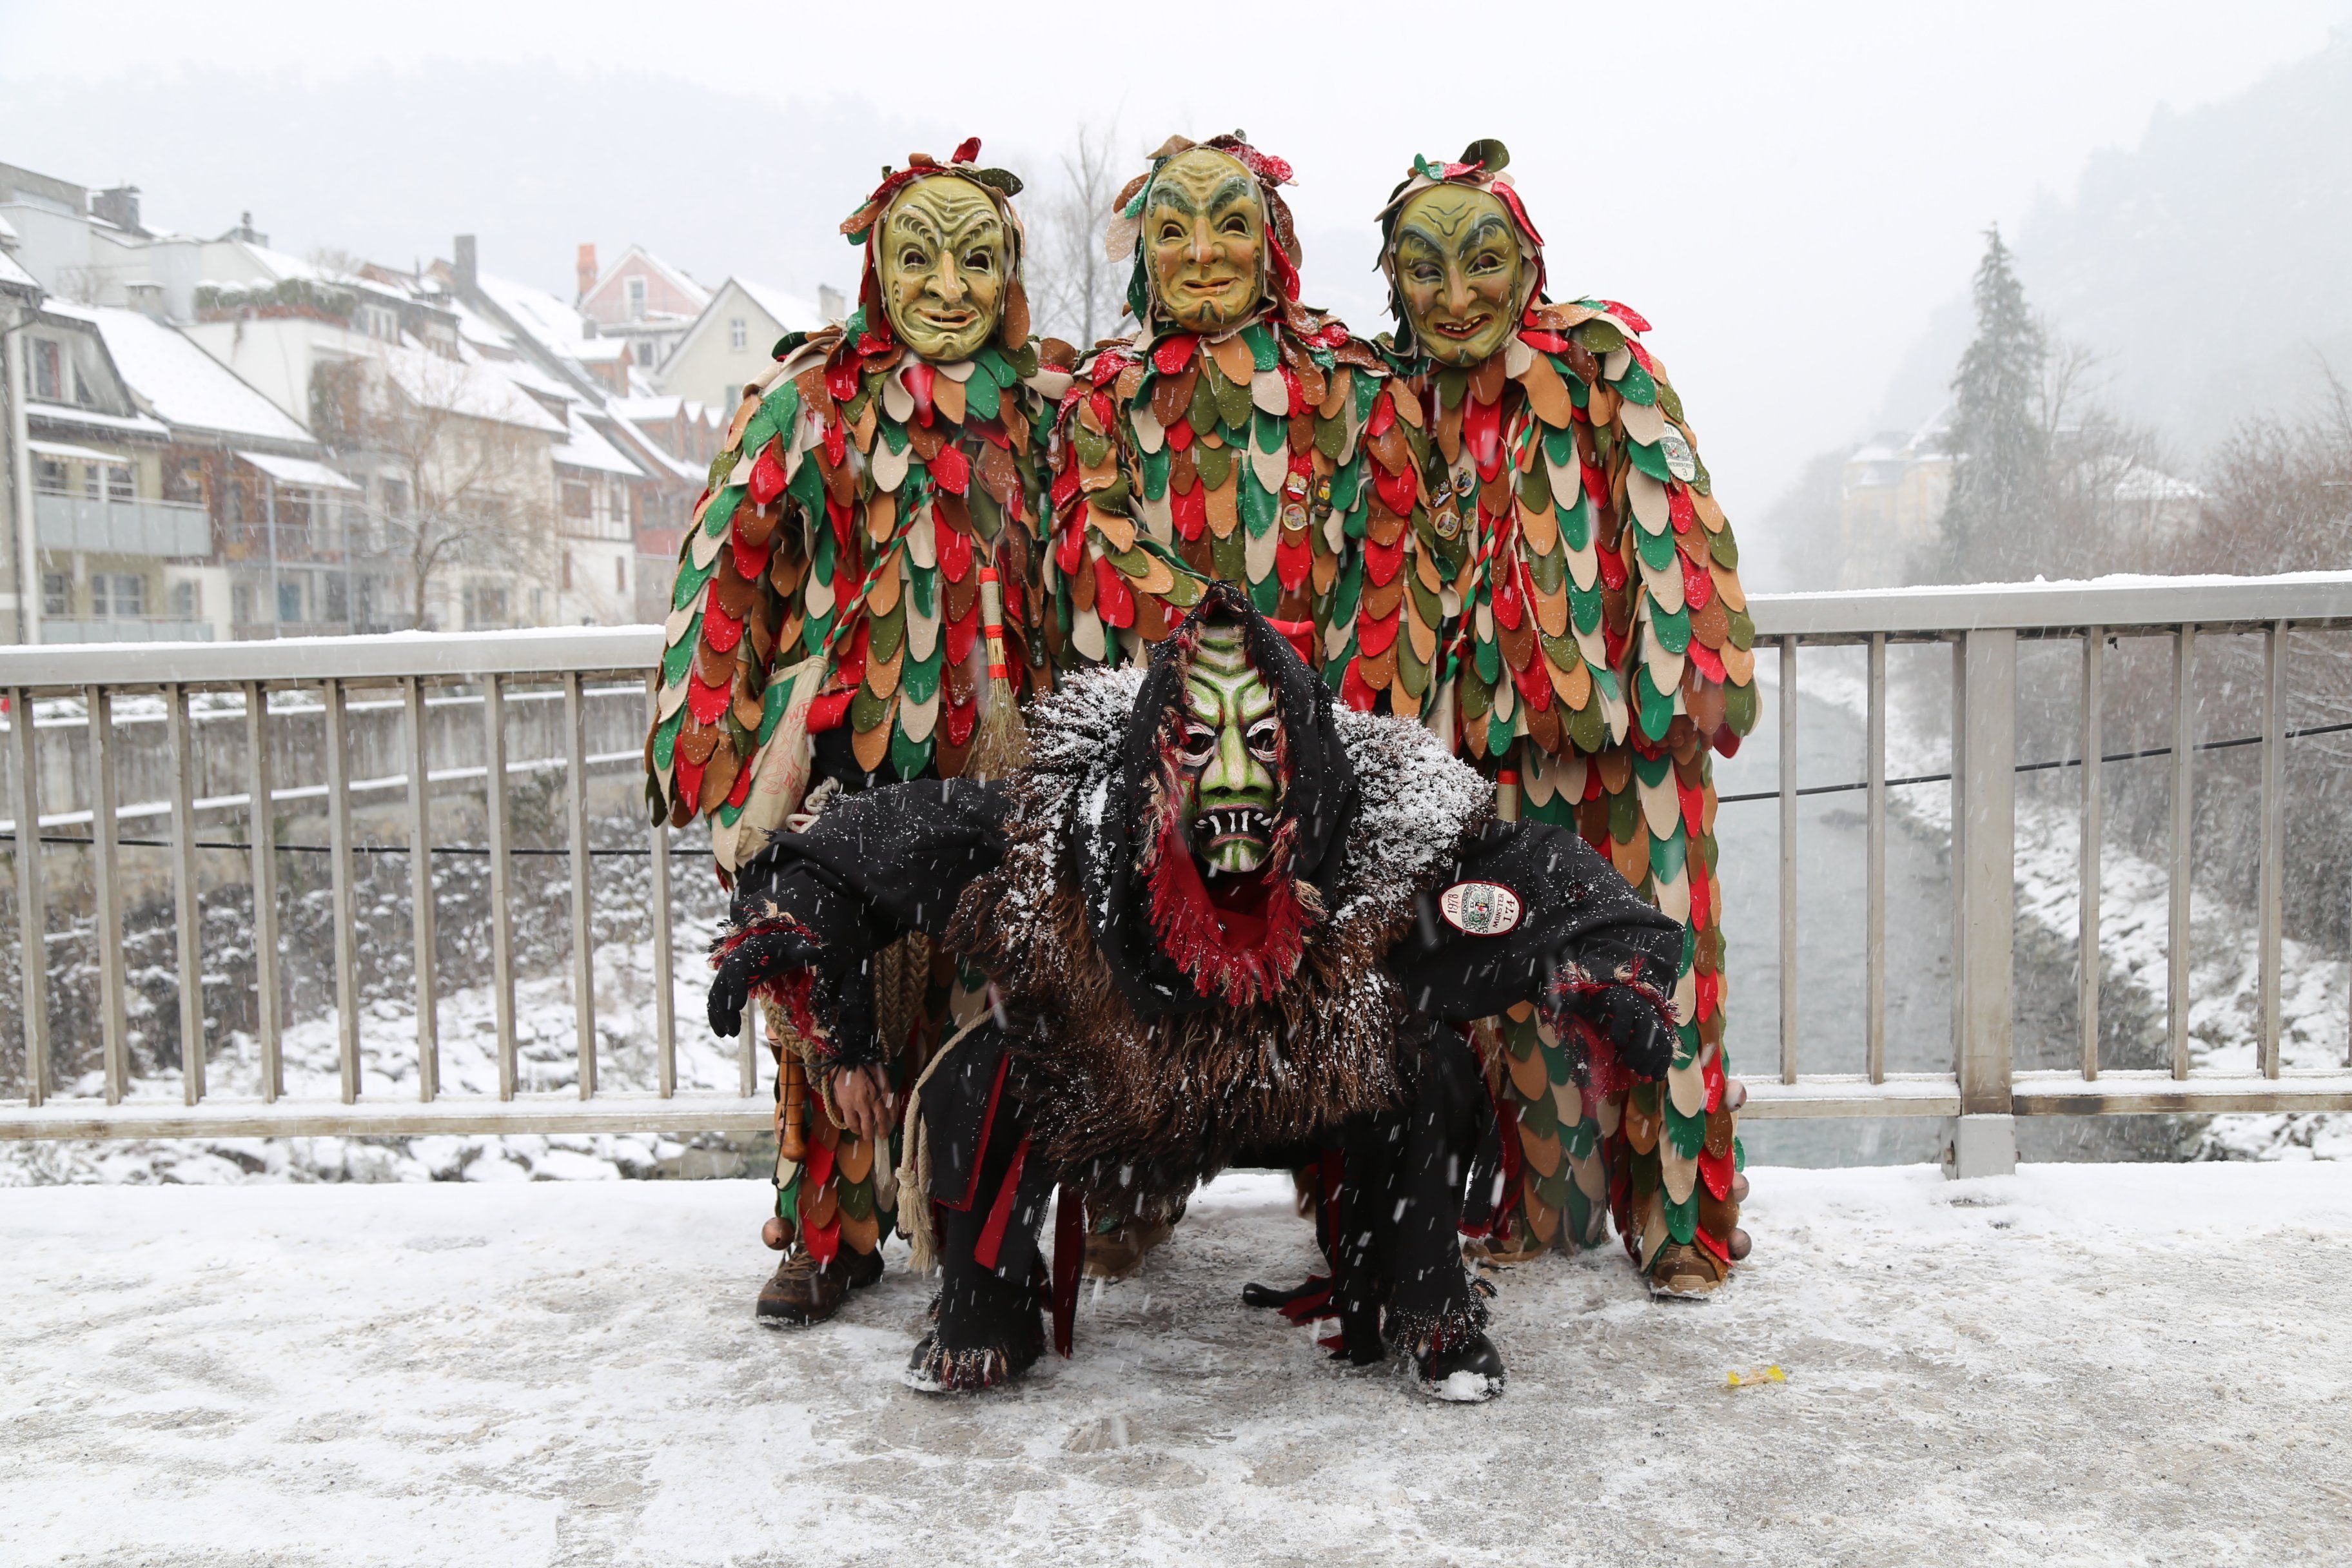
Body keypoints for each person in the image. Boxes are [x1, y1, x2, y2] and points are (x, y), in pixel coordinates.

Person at [708, 584, 1690, 1401]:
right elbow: (844, 854)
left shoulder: (1378, 823)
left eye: (1261, 743)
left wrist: (1611, 965)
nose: (1230, 780)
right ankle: (984, 1310)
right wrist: (824, 1002)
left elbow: (1540, 876)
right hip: (1119, 1086)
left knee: (1427, 1069)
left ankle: (1423, 1300)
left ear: (1304, 754)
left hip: (1311, 1085)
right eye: (1193, 745)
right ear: (1150, 757)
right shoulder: (1062, 826)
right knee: (988, 1076)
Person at [646, 139, 1075, 1327]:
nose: (948, 286)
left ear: (1008, 277)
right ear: (879, 268)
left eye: (976, 259)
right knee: (828, 991)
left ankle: (973, 1230)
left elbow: (1097, 558)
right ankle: (827, 1236)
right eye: (919, 257)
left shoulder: (1044, 414)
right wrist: (707, 726)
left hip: (1001, 747)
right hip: (842, 740)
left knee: (988, 994)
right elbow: (726, 563)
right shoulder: (809, 402)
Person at [1358, 141, 1758, 1291]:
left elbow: (1676, 519)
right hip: (1488, 747)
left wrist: (1682, 682)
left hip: (1636, 743)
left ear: (1527, 263)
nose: (1456, 294)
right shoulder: (1392, 398)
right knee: (1513, 973)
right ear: (1395, 283)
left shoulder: (1599, 363)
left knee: (1657, 966)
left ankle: (1678, 1222)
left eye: (1481, 261)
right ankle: (1552, 1205)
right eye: (1424, 269)